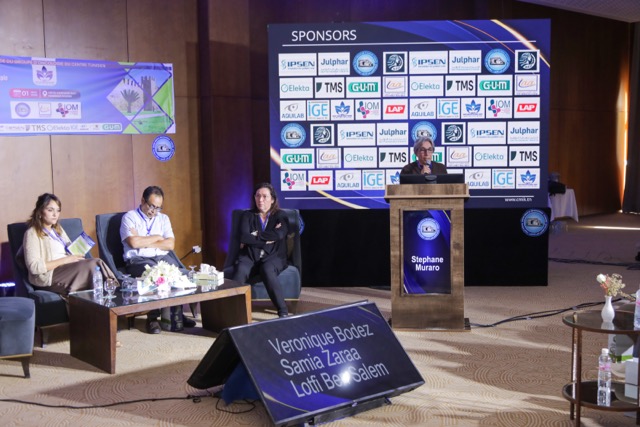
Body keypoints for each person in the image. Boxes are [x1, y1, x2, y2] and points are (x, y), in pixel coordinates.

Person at [120, 186, 196, 334]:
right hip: (138, 259)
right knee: (155, 275)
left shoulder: (163, 218)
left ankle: (176, 314)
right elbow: (134, 243)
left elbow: (170, 244)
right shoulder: (129, 217)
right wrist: (157, 237)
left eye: (158, 208)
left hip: (161, 256)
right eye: (152, 206)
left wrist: (143, 240)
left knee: (177, 273)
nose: (154, 211)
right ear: (143, 201)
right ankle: (152, 318)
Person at [22, 193, 116, 297]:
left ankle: (107, 296)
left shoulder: (58, 230)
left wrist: (77, 251)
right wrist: (65, 260)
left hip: (68, 268)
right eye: (50, 210)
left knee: (93, 266)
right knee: (94, 264)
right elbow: (34, 267)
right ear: (40, 211)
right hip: (49, 276)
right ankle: (114, 290)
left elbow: (70, 251)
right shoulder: (32, 233)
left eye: (58, 210)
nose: (55, 214)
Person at [231, 182, 290, 317]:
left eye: (264, 196)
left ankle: (283, 311)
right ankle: (233, 311)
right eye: (257, 196)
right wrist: (266, 240)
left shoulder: (280, 215)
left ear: (272, 199)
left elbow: (279, 234)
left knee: (267, 269)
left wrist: (256, 235)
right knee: (240, 270)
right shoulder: (247, 215)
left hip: (274, 256)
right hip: (250, 255)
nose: (260, 199)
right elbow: (244, 237)